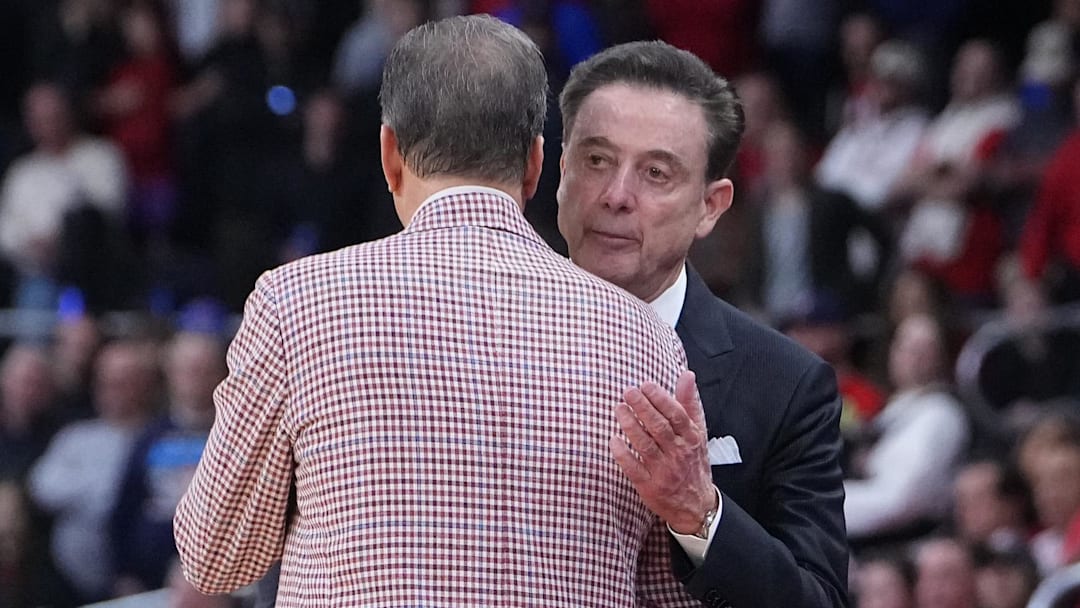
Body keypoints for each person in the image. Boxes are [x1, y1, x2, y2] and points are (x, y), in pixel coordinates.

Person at [175, 15, 690, 607]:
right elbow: (666, 590)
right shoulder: (643, 334)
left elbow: (214, 556)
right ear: (535, 164)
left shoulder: (295, 303)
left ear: (390, 153)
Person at [555, 40, 848, 606]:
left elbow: (819, 599)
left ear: (711, 207)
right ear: (559, 168)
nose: (617, 196)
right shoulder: (474, 336)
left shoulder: (786, 384)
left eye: (656, 173)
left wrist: (700, 513)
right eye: (596, 161)